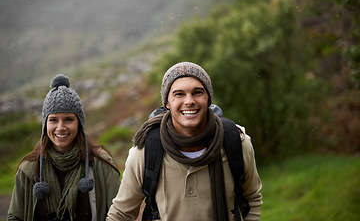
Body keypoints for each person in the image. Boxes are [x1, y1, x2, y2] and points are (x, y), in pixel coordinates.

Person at [107, 62, 262, 221]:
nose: (189, 101)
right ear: (167, 103)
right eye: (179, 94)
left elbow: (252, 199)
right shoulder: (146, 151)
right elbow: (121, 214)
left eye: (197, 92)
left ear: (208, 99)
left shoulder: (236, 141)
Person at [7, 74, 121, 221]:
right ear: (45, 125)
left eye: (68, 119)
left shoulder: (101, 163)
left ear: (79, 123)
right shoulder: (28, 169)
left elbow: (120, 215)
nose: (60, 128)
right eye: (53, 120)